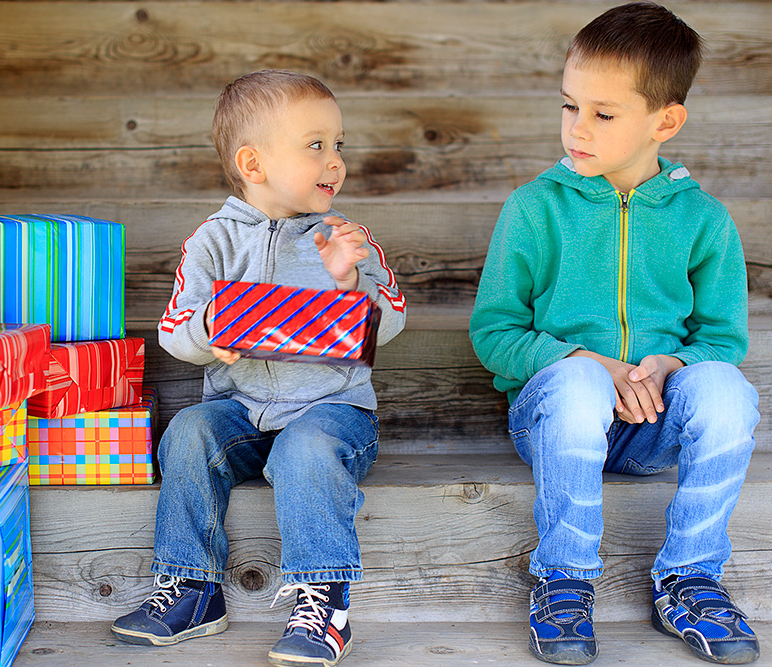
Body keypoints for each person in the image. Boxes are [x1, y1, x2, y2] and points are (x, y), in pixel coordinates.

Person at [469, 3, 760, 665]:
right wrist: (587, 362)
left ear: (665, 122)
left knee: (727, 390)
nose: (577, 127)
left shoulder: (704, 220)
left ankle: (690, 578)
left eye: (603, 114)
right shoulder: (535, 207)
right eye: (569, 105)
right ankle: (564, 580)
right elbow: (495, 332)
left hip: (653, 422)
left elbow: (723, 339)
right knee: (576, 383)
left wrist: (670, 366)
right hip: (557, 418)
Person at [110, 69, 406, 667]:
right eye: (315, 145)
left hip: (332, 414)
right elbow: (174, 330)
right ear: (253, 164)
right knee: (188, 430)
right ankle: (191, 588)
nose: (335, 161)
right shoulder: (212, 242)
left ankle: (323, 604)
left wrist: (351, 280)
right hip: (241, 412)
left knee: (304, 449)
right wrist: (211, 330)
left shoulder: (343, 238)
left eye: (339, 144)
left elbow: (392, 320)